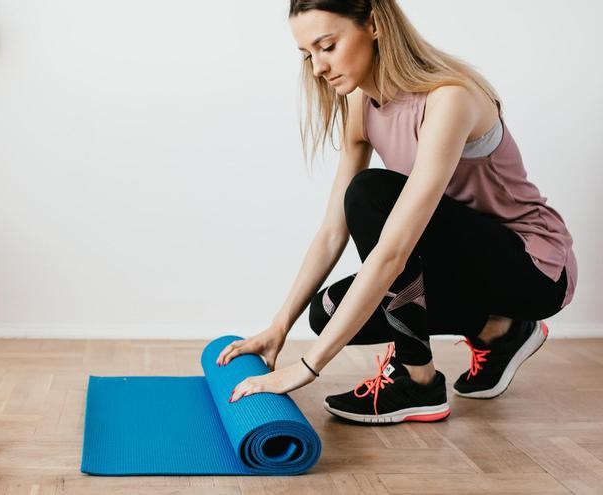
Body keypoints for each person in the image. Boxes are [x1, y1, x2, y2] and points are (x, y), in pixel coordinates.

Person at [216, 0, 577, 424]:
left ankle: (418, 382)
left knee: (370, 192)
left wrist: (309, 367)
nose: (317, 67)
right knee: (326, 313)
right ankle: (499, 332)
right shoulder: (360, 103)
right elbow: (334, 231)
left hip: (532, 270)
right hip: (461, 265)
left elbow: (393, 250)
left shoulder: (449, 99)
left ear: (373, 24)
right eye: (307, 54)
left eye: (327, 46)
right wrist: (280, 327)